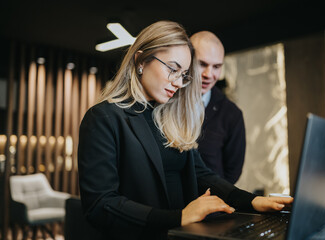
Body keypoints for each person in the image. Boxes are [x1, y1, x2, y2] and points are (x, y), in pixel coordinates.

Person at [78, 20, 293, 240]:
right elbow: (100, 205)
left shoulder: (171, 117)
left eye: (183, 75)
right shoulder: (104, 117)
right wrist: (179, 217)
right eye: (172, 69)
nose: (179, 83)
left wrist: (251, 201)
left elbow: (202, 174)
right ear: (140, 60)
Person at [190, 31, 246, 184]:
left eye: (216, 66)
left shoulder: (232, 114)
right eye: (202, 64)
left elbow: (232, 172)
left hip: (211, 203)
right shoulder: (165, 102)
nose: (209, 74)